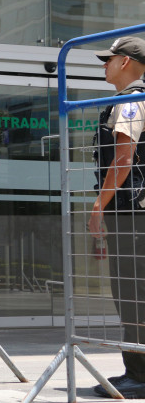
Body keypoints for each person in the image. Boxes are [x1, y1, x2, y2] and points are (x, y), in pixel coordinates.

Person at [89, 36, 145, 399]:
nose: (104, 66)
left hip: (132, 212)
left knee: (131, 294)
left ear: (125, 61)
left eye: (107, 60)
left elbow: (123, 159)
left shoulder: (131, 98)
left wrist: (98, 206)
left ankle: (138, 375)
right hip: (136, 211)